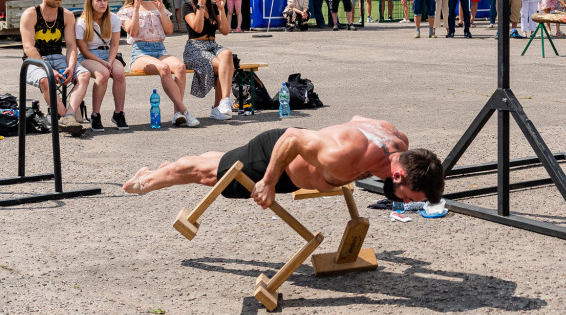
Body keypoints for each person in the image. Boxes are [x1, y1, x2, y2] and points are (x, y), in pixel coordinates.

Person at [124, 117, 445, 207]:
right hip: (278, 156)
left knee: (217, 163)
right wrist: (267, 182)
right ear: (399, 173)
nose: (404, 202)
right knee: (206, 175)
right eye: (407, 197)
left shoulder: (398, 141)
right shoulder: (344, 156)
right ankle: (144, 183)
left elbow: (358, 119)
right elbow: (291, 137)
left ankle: (153, 173)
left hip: (303, 159)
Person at [118, 0, 197, 127]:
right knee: (164, 68)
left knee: (180, 67)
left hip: (160, 49)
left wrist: (161, 9)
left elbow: (169, 30)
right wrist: (135, 9)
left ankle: (177, 114)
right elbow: (133, 32)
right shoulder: (126, 10)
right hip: (140, 52)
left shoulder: (157, 6)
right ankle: (185, 111)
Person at [19, 0, 90, 135]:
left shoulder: (67, 15)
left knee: (84, 75)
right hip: (34, 60)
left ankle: (69, 116)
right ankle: (67, 118)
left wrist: (71, 67)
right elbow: (28, 47)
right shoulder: (30, 14)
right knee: (45, 79)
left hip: (58, 56)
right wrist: (50, 69)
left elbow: (71, 46)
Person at [181, 0, 235, 121]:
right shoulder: (188, 6)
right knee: (224, 67)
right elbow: (197, 28)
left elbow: (224, 30)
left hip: (213, 46)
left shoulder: (213, 7)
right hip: (195, 48)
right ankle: (218, 108)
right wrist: (200, 4)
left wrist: (221, 9)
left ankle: (223, 102)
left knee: (227, 54)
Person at [75, 0, 128, 131]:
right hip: (89, 56)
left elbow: (115, 44)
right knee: (103, 74)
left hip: (108, 55)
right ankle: (95, 115)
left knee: (119, 73)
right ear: (90, 2)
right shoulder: (82, 22)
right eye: (98, 0)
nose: (103, 3)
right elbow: (84, 51)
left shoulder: (114, 18)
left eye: (105, 0)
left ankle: (119, 114)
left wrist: (110, 61)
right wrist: (103, 63)